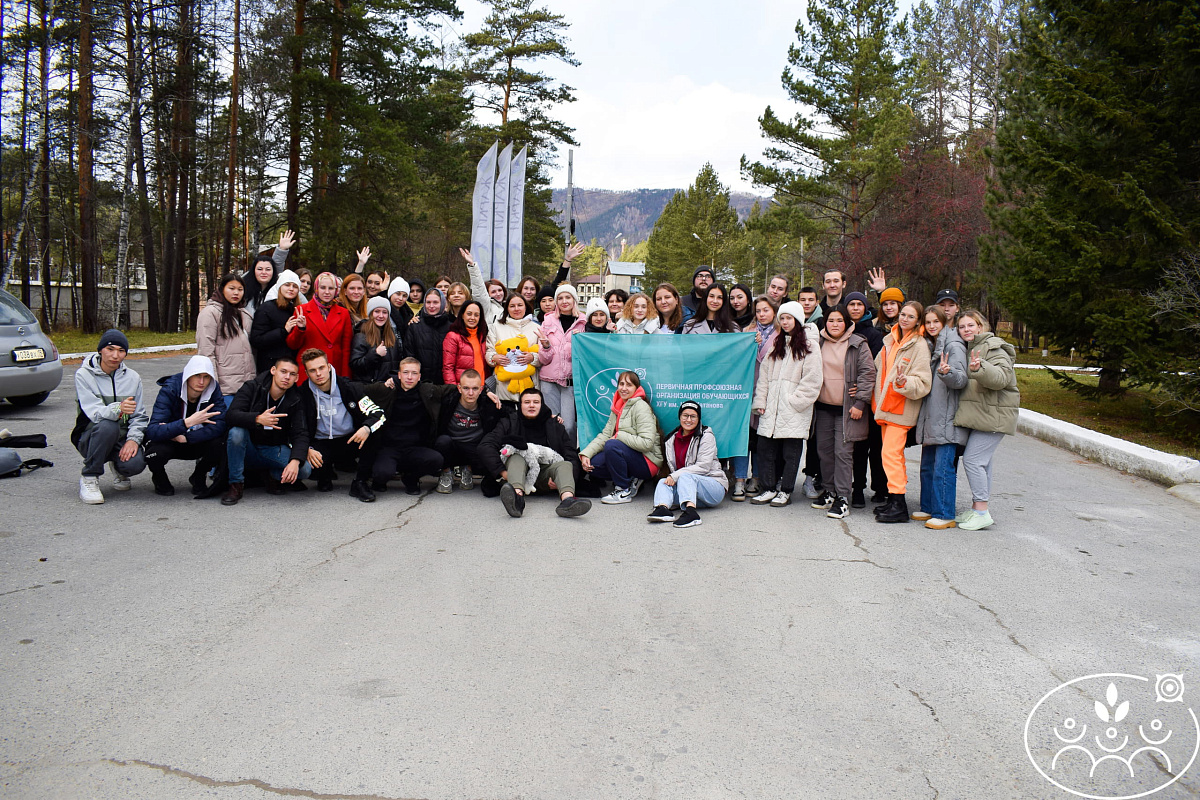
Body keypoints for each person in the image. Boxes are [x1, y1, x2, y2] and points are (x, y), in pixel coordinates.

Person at [750, 301, 822, 507]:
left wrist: (795, 402)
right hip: (771, 408)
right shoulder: (776, 344)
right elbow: (764, 377)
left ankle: (786, 490)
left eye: (789, 318)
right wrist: (761, 401)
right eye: (782, 318)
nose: (785, 322)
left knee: (790, 453)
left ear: (798, 320)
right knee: (766, 449)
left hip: (793, 409)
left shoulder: (810, 346)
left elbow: (813, 380)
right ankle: (769, 488)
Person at [953, 309, 1020, 531]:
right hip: (984, 416)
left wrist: (981, 367)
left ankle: (981, 511)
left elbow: (1002, 378)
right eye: (962, 327)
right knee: (983, 463)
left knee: (973, 461)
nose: (966, 330)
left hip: (994, 417)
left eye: (970, 325)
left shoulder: (993, 347)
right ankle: (978, 509)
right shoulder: (971, 347)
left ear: (980, 326)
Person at [480, 387, 592, 518]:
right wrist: (503, 473)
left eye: (536, 402)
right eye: (527, 402)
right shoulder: (509, 421)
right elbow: (485, 446)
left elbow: (570, 453)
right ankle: (516, 499)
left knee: (566, 464)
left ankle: (567, 502)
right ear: (520, 405)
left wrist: (563, 479)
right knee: (517, 456)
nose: (531, 405)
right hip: (515, 474)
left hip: (545, 475)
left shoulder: (554, 425)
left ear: (542, 404)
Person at [810, 305, 875, 519]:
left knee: (843, 454)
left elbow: (868, 374)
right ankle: (829, 491)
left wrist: (860, 402)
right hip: (823, 408)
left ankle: (843, 498)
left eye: (839, 320)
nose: (834, 324)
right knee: (824, 452)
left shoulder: (857, 343)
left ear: (847, 322)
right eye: (830, 320)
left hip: (848, 409)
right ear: (825, 322)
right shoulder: (818, 342)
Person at [221, 356, 312, 505]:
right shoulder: (252, 387)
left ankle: (270, 476)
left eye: (292, 374)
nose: (287, 377)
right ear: (273, 370)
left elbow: (301, 432)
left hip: (273, 448)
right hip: (248, 445)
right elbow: (231, 415)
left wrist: (295, 461)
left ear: (297, 378)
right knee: (236, 432)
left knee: (305, 470)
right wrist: (257, 419)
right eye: (283, 371)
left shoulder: (296, 398)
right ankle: (236, 484)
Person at [872, 300, 933, 523]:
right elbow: (877, 369)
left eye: (910, 316)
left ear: (918, 321)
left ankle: (899, 504)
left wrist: (904, 381)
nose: (904, 319)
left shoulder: (919, 345)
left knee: (890, 455)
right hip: (884, 408)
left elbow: (924, 383)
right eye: (903, 315)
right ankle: (893, 499)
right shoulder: (890, 340)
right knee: (890, 456)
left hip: (901, 409)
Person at [298, 348, 385, 501]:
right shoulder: (302, 394)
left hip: (349, 440)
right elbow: (296, 427)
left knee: (373, 432)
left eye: (321, 368)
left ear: (329, 366)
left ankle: (360, 482)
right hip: (321, 444)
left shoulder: (349, 388)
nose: (318, 374)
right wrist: (307, 448)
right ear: (306, 373)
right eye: (312, 370)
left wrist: (366, 428)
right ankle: (323, 476)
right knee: (320, 478)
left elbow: (378, 414)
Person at [72, 329, 148, 504]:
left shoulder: (133, 378)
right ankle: (89, 476)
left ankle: (119, 467)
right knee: (108, 425)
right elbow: (95, 413)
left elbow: (139, 416)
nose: (115, 355)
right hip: (92, 436)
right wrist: (118, 408)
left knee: (135, 465)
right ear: (100, 350)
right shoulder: (84, 375)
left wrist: (133, 440)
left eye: (121, 351)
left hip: (121, 438)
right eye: (110, 349)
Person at [912, 305, 969, 529]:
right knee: (927, 466)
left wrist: (948, 373)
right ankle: (928, 507)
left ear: (944, 322)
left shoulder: (953, 346)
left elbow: (961, 380)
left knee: (943, 469)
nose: (932, 326)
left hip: (947, 417)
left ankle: (944, 514)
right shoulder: (933, 345)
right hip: (932, 417)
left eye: (936, 321)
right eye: (928, 322)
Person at [144, 355, 227, 497]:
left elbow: (220, 424)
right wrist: (186, 423)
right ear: (188, 376)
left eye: (206, 377)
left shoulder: (213, 390)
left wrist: (187, 437)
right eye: (197, 376)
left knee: (222, 442)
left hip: (192, 439)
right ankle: (159, 477)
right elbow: (153, 430)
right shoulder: (170, 389)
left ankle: (199, 475)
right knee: (155, 452)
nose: (201, 382)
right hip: (171, 441)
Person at [580, 371, 664, 504]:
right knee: (594, 465)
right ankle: (631, 478)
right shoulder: (618, 406)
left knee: (612, 445)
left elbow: (647, 443)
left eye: (629, 385)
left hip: (648, 461)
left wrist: (619, 436)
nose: (624, 388)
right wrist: (586, 454)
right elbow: (605, 435)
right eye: (621, 384)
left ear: (637, 388)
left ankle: (623, 490)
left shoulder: (641, 407)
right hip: (632, 456)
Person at [646, 401, 727, 528]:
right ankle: (663, 509)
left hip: (713, 487)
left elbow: (703, 466)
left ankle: (691, 513)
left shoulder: (706, 435)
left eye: (693, 416)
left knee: (684, 476)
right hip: (690, 491)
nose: (688, 419)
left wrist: (675, 476)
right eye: (685, 415)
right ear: (679, 417)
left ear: (698, 419)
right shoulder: (671, 439)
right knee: (663, 482)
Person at [372, 358, 445, 494]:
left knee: (436, 460)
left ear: (419, 376)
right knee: (382, 473)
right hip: (390, 448)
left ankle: (411, 478)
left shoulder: (426, 391)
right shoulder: (388, 389)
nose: (410, 377)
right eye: (406, 373)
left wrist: (486, 392)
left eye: (414, 373)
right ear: (399, 374)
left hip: (414, 448)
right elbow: (359, 389)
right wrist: (383, 383)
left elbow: (456, 390)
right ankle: (379, 480)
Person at [730, 295, 779, 500]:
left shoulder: (781, 334)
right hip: (746, 391)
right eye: (758, 311)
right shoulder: (747, 332)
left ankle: (756, 478)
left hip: (768, 392)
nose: (762, 314)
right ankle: (740, 479)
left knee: (761, 438)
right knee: (743, 436)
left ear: (774, 312)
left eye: (766, 310)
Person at [432, 369, 504, 495]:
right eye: (466, 388)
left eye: (475, 388)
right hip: (451, 446)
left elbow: (509, 413)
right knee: (442, 441)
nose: (470, 393)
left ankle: (468, 469)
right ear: (459, 388)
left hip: (474, 448)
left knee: (489, 459)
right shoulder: (448, 402)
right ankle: (446, 472)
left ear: (481, 389)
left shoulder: (488, 405)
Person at [845, 291, 886, 507]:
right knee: (857, 449)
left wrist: (862, 389)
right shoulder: (839, 330)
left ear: (865, 308)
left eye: (859, 304)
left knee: (876, 447)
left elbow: (874, 368)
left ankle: (880, 489)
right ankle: (857, 489)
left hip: (872, 399)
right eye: (850, 304)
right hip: (848, 399)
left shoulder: (874, 334)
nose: (855, 308)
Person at [196, 272, 257, 399]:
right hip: (225, 388)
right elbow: (206, 352)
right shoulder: (210, 313)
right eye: (231, 288)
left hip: (246, 387)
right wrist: (213, 385)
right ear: (222, 289)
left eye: (240, 289)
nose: (236, 293)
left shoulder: (244, 314)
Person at [285, 271, 353, 384]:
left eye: (331, 288)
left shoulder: (344, 313)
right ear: (316, 288)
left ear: (336, 290)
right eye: (323, 287)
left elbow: (346, 349)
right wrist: (300, 329)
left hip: (333, 370)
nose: (327, 292)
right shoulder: (302, 310)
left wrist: (345, 377)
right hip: (308, 370)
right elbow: (292, 344)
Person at [538, 284, 585, 435]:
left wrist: (577, 344)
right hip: (548, 381)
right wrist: (545, 346)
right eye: (560, 298)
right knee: (552, 423)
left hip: (570, 382)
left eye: (568, 297)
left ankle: (570, 457)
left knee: (569, 426)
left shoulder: (583, 322)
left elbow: (583, 356)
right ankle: (554, 456)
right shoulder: (548, 321)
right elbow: (544, 359)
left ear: (574, 300)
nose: (564, 301)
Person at [487, 293, 546, 405]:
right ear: (507, 308)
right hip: (504, 387)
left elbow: (544, 355)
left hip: (530, 387)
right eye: (512, 306)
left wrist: (532, 357)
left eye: (520, 305)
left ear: (526, 307)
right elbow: (489, 350)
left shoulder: (536, 328)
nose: (516, 309)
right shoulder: (496, 327)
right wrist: (494, 357)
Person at [250, 269, 302, 375]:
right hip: (270, 367)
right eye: (287, 285)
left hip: (291, 367)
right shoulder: (266, 308)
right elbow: (256, 340)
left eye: (295, 286)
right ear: (279, 287)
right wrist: (283, 331)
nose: (291, 289)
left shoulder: (296, 310)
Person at [404, 288, 453, 385]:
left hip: (444, 384)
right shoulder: (415, 326)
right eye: (428, 302)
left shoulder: (451, 327)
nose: (431, 306)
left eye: (435, 302)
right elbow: (409, 355)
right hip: (420, 384)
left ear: (442, 303)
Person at [242, 230, 294, 315]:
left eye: (268, 269)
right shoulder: (243, 289)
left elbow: (277, 264)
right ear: (253, 271)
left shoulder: (278, 290)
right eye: (259, 269)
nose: (264, 272)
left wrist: (282, 249)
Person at [351, 296, 402, 383]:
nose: (381, 316)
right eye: (377, 311)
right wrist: (375, 354)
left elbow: (397, 362)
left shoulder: (392, 335)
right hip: (370, 387)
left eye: (384, 312)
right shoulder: (361, 335)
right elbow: (355, 365)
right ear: (370, 314)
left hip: (389, 387)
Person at [442, 300, 490, 385]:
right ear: (462, 315)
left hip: (481, 388)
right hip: (463, 389)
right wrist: (453, 390)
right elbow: (448, 368)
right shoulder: (453, 336)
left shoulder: (483, 336)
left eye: (476, 315)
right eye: (469, 314)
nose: (472, 318)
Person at [460, 247, 505, 325]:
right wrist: (472, 266)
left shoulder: (510, 306)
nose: (498, 294)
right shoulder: (487, 307)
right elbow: (479, 289)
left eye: (500, 290)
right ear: (487, 294)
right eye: (493, 292)